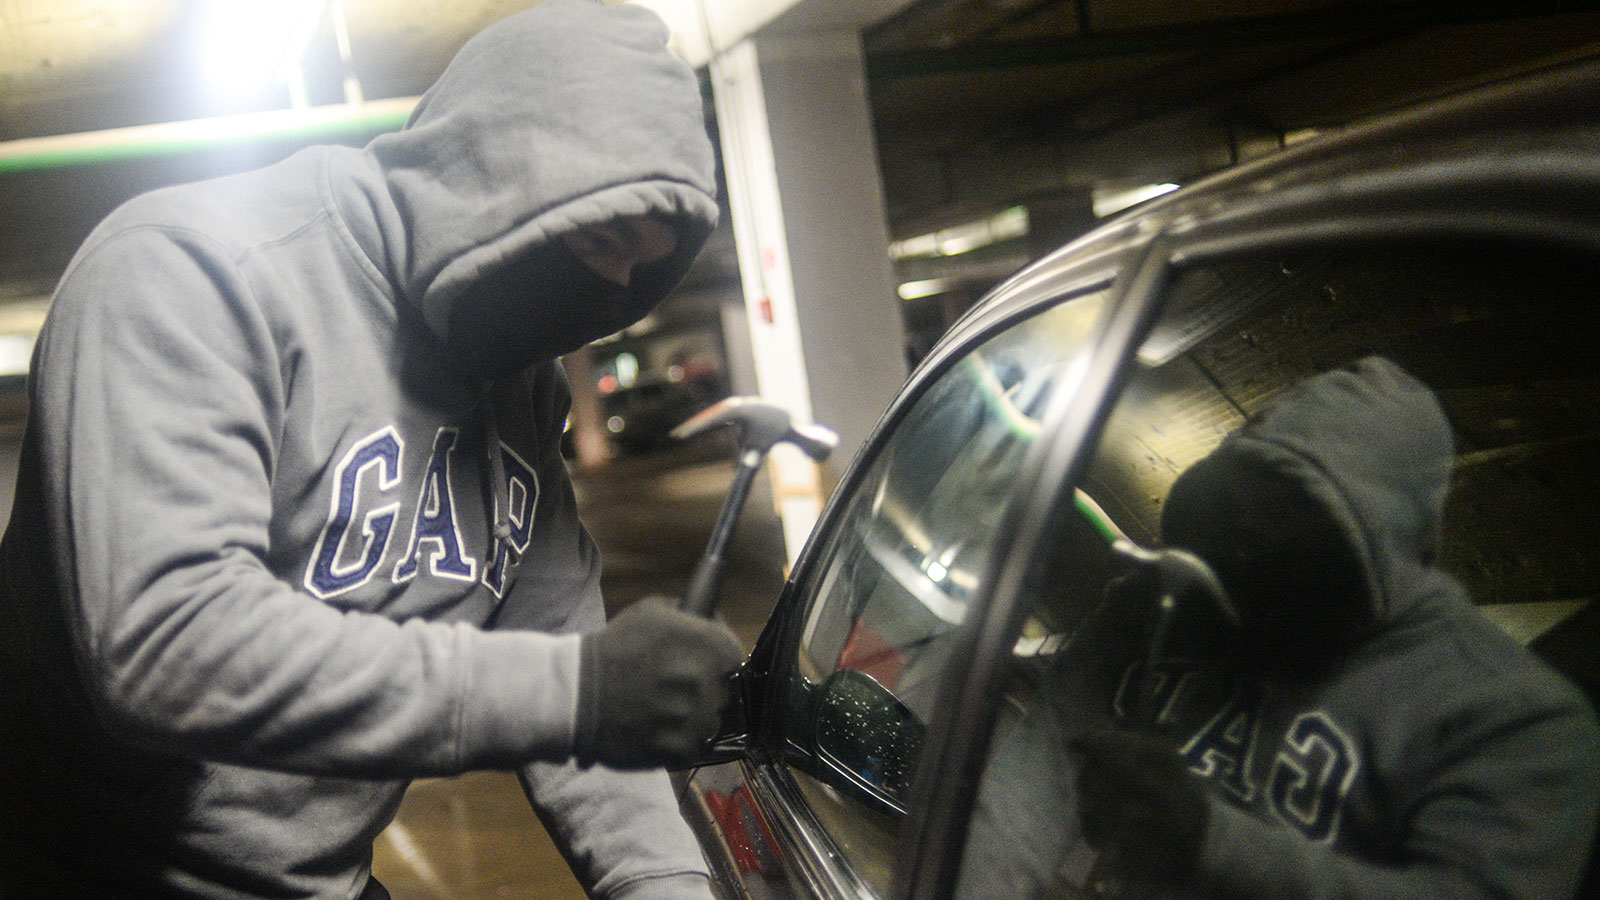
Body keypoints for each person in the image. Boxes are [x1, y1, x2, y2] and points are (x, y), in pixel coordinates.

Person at [0, 1, 747, 897]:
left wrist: (660, 879)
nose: (611, 293)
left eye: (643, 269)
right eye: (600, 240)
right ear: (494, 176)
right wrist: (575, 694)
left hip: (320, 880)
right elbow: (165, 641)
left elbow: (558, 643)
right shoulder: (183, 272)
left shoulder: (518, 378)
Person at [1071, 357, 1600, 899]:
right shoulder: (1167, 612)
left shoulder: (1519, 720)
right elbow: (1025, 785)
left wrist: (1209, 842)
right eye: (1237, 517)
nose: (1250, 554)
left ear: (1385, 545)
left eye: (1294, 525)